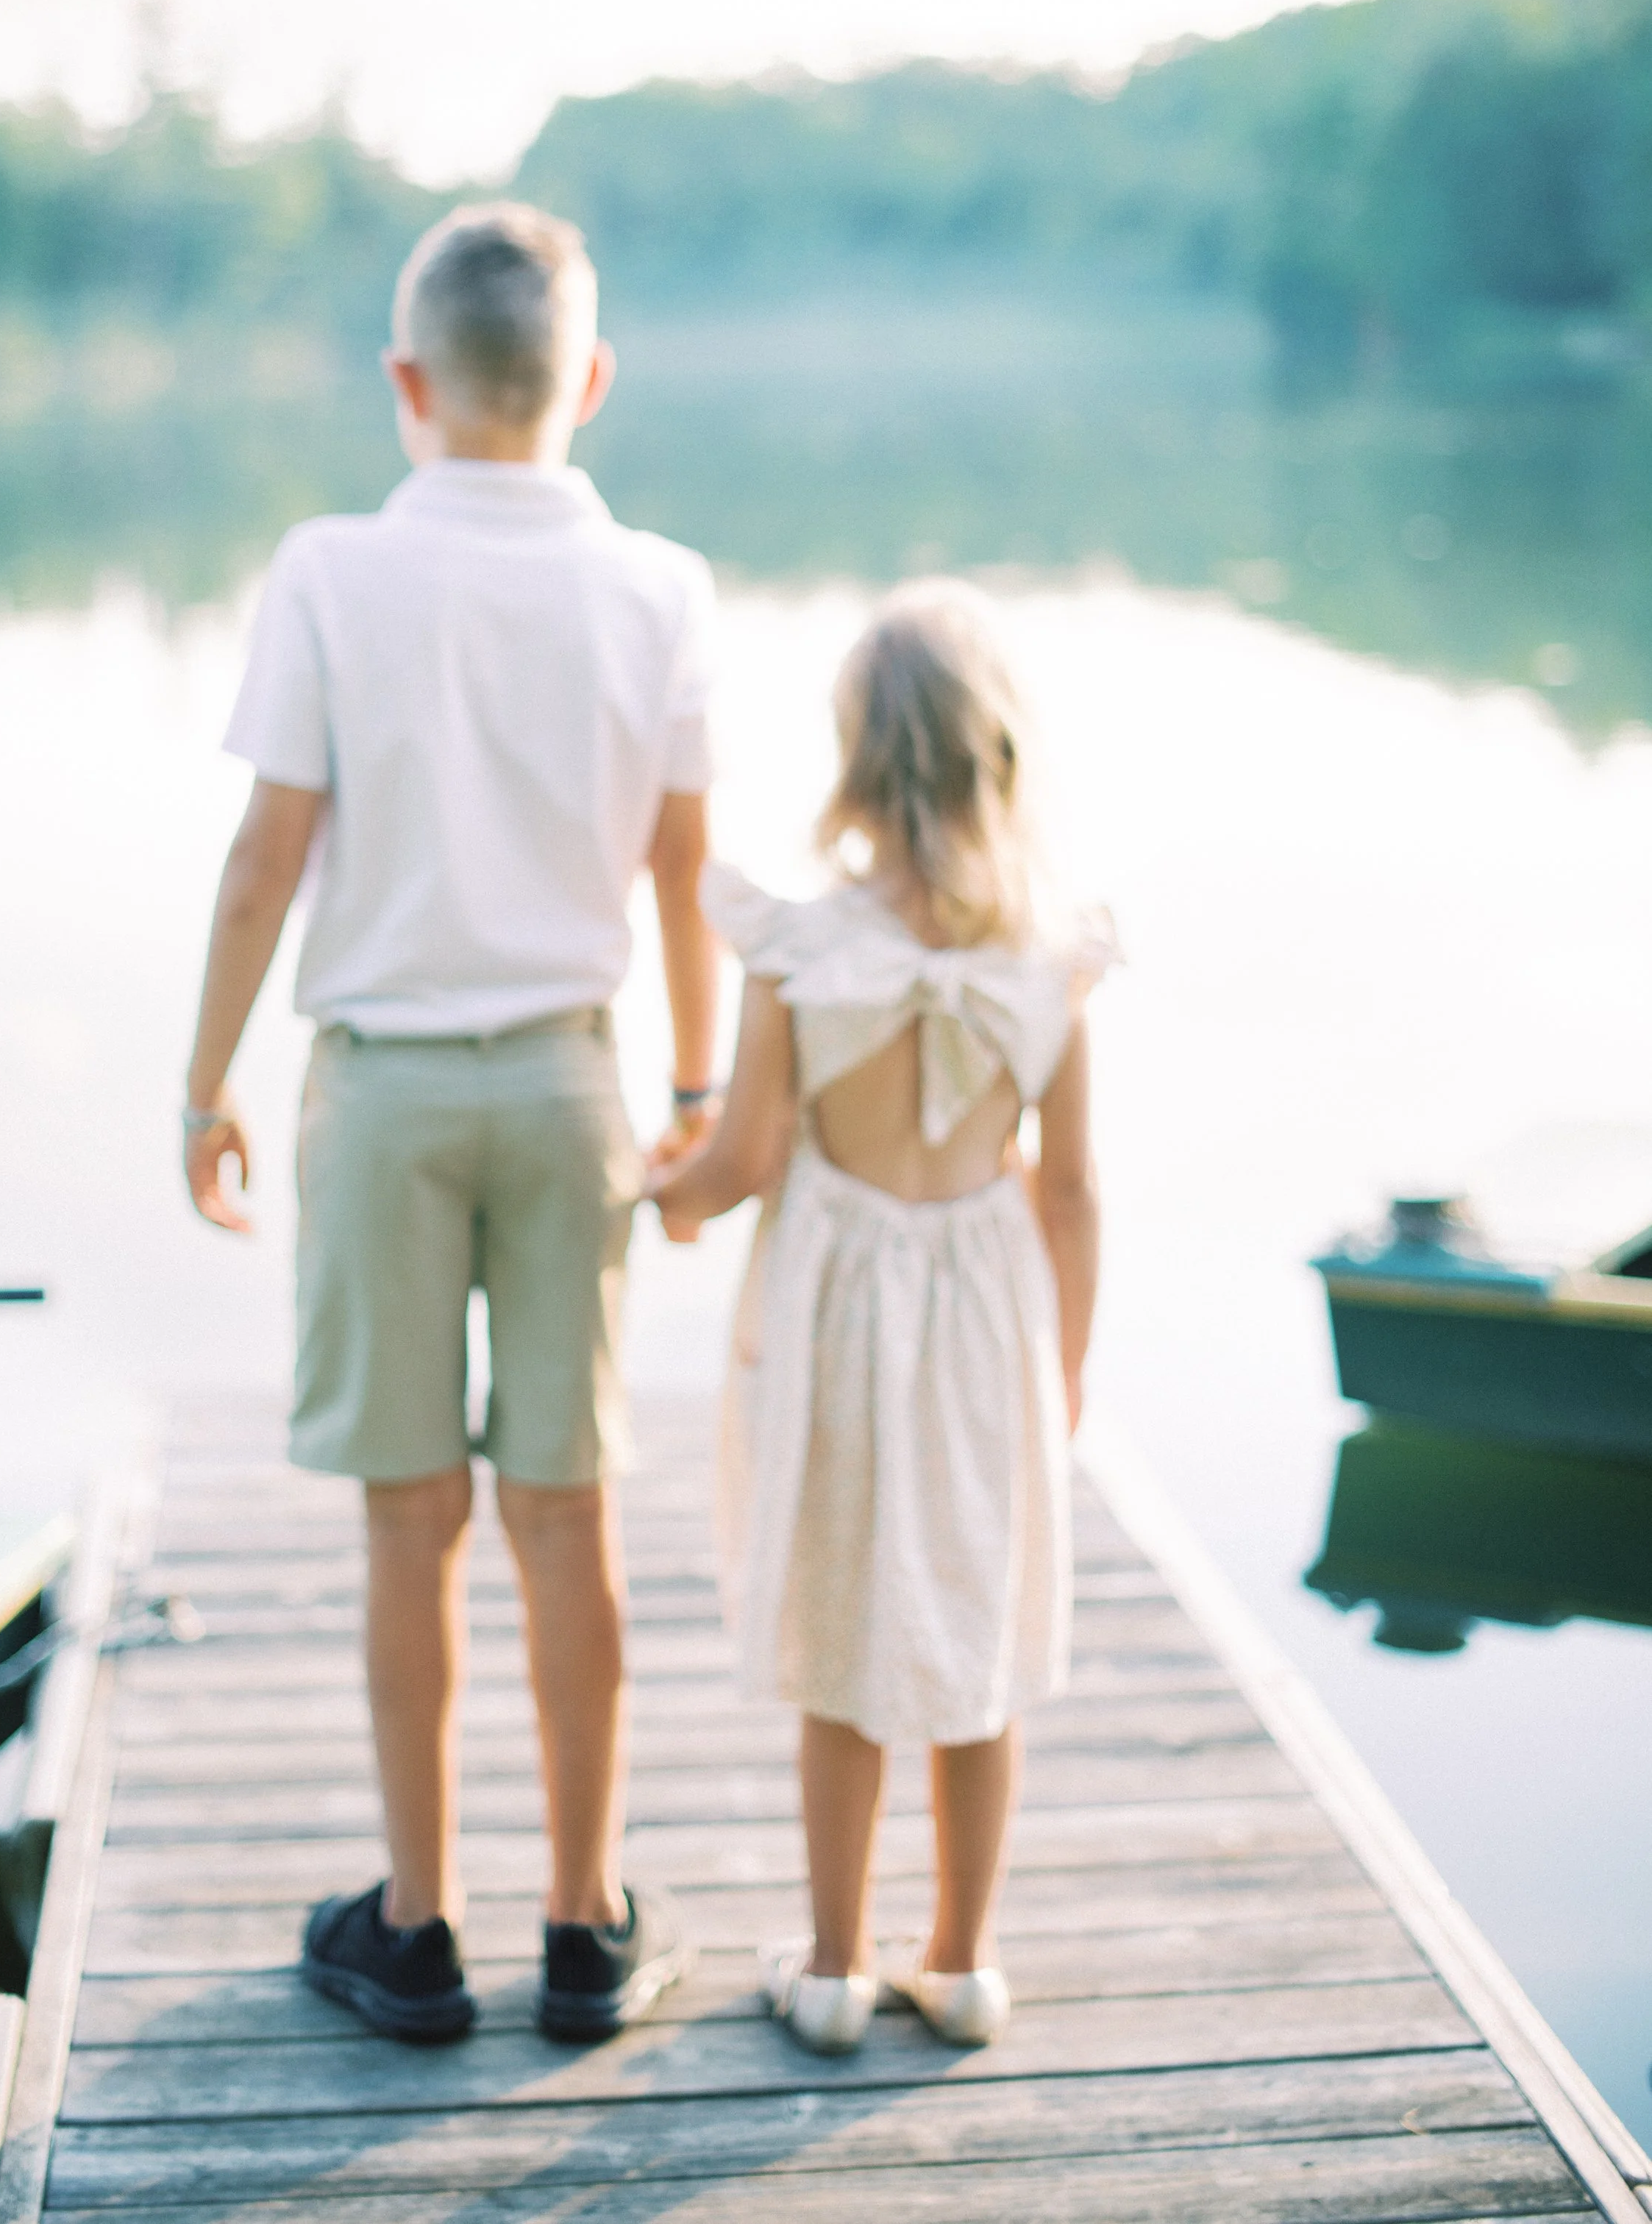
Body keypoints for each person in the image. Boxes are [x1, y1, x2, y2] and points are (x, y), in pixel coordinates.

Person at [180, 202, 718, 2044]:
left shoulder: (330, 565)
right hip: (575, 1090)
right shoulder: (658, 583)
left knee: (406, 1521)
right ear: (592, 381)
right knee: (566, 1517)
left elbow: (271, 855)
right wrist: (703, 1097)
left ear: (405, 384)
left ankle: (416, 1928)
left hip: (385, 1092)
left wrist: (203, 1085)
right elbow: (683, 868)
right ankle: (586, 1925)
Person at [649, 581, 1110, 2056]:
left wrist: (662, 1196)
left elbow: (746, 1157)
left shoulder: (799, 945)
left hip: (842, 1312)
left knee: (839, 1628)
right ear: (998, 755)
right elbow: (1077, 1195)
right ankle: (961, 1962)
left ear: (853, 756)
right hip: (983, 1315)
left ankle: (837, 1969)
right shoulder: (1049, 956)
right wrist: (1071, 1370)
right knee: (976, 1631)